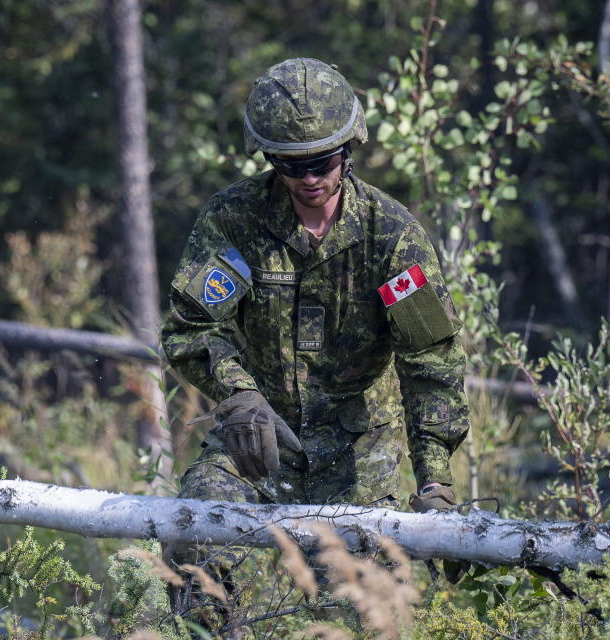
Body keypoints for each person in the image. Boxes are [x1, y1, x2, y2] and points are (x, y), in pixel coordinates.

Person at [161, 58, 470, 613]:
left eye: (322, 161)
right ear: (269, 159)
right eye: (290, 163)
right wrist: (238, 394)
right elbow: (191, 328)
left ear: (349, 148)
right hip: (255, 439)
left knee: (364, 602)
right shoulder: (236, 220)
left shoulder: (392, 237)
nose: (309, 178)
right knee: (192, 536)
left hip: (358, 452)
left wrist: (435, 482)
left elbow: (430, 364)